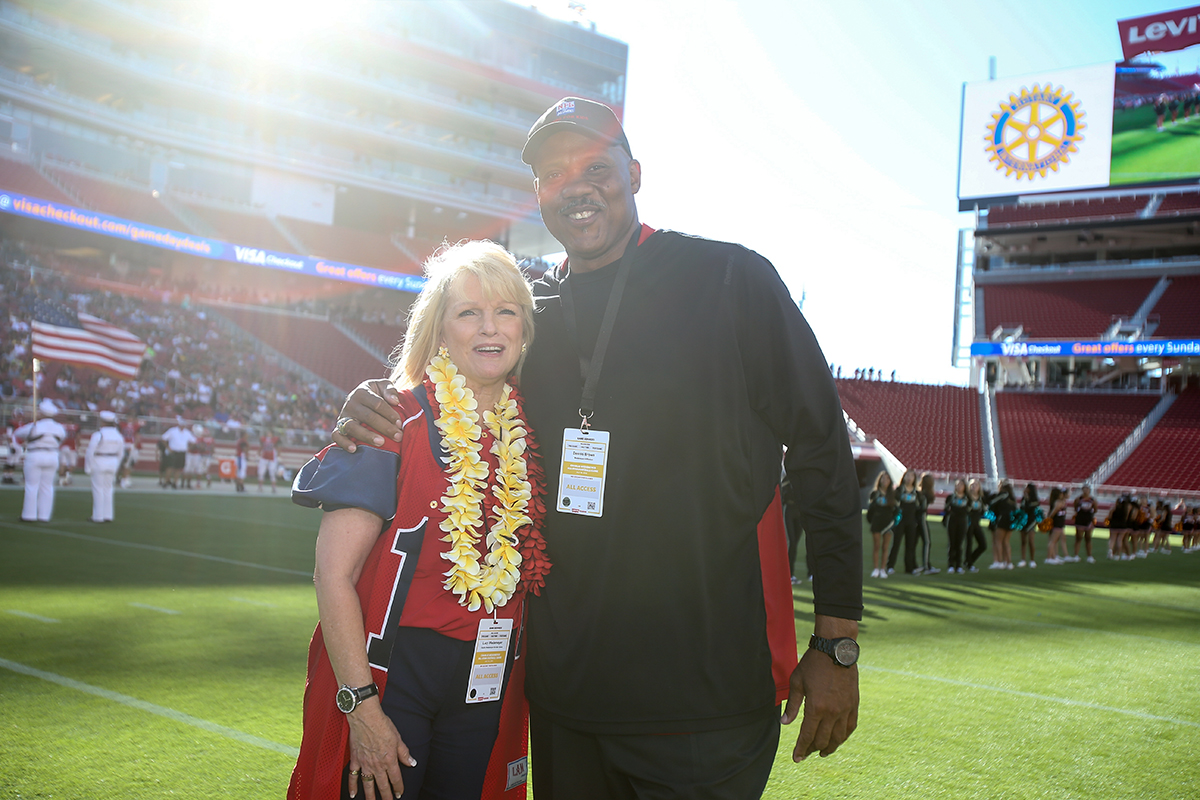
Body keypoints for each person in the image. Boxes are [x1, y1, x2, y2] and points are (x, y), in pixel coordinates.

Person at [332, 96, 863, 798]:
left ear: (635, 173)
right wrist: (372, 396)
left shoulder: (731, 281)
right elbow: (453, 371)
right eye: (553, 174)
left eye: (595, 167)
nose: (575, 187)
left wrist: (836, 643)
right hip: (565, 702)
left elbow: (824, 453)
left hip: (706, 700)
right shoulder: (532, 311)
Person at [288, 242, 549, 800]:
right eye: (468, 312)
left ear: (524, 329)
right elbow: (332, 575)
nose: (490, 328)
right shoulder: (391, 417)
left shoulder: (535, 432)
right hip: (393, 673)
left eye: (506, 311)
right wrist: (360, 706)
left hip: (488, 675)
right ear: (438, 328)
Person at [14, 399, 68, 522]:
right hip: (53, 455)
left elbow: (18, 433)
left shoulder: (35, 426)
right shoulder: (59, 427)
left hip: (35, 454)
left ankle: (29, 515)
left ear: (42, 413)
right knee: (47, 487)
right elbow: (62, 438)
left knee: (31, 486)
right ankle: (44, 515)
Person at [84, 410, 124, 523]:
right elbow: (121, 453)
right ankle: (108, 515)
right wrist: (116, 465)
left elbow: (90, 452)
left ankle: (98, 516)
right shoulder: (118, 435)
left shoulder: (98, 434)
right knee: (108, 489)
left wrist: (88, 466)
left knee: (98, 489)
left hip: (99, 460)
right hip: (113, 461)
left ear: (103, 422)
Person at [866, 471, 896, 579]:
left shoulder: (893, 494)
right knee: (877, 546)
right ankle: (875, 569)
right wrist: (872, 521)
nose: (885, 481)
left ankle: (883, 569)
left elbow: (896, 510)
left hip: (888, 523)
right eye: (883, 478)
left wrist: (893, 523)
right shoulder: (874, 494)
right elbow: (870, 511)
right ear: (879, 480)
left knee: (885, 547)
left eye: (887, 479)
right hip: (876, 523)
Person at [942, 478, 970, 574]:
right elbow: (946, 509)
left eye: (961, 485)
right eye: (957, 485)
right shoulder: (951, 497)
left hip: (962, 522)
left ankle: (958, 565)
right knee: (952, 543)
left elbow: (969, 510)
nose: (959, 487)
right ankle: (950, 565)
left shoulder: (967, 498)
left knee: (959, 544)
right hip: (952, 521)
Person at [988, 481, 1017, 570]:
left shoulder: (1002, 495)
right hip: (1011, 521)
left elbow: (991, 503)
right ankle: (1008, 563)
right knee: (1006, 542)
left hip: (1002, 520)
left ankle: (999, 562)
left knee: (998, 541)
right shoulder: (1012, 498)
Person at [160, 417, 195, 489]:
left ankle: (175, 483)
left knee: (178, 468)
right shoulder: (172, 431)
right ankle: (166, 481)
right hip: (173, 451)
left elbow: (193, 441)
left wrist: (189, 448)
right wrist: (168, 448)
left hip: (182, 452)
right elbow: (163, 438)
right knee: (169, 467)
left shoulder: (187, 432)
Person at [964, 479, 989, 572]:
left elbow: (984, 510)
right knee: (969, 544)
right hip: (967, 523)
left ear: (979, 487)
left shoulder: (981, 498)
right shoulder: (966, 498)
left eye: (976, 485)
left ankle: (968, 560)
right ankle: (969, 564)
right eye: (972, 485)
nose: (974, 487)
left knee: (983, 545)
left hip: (976, 524)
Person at [918, 473, 939, 574]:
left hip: (918, 519)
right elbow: (922, 509)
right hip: (921, 520)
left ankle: (921, 565)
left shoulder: (921, 493)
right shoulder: (925, 495)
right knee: (927, 542)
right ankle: (926, 566)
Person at [1071, 485, 1097, 563]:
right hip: (1080, 520)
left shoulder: (1092, 500)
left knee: (1088, 538)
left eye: (1087, 489)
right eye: (1084, 489)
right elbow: (1075, 508)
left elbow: (1095, 509)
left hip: (1088, 520)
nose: (1085, 491)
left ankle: (1089, 556)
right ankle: (1076, 555)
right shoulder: (1078, 499)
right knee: (1078, 538)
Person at [1017, 483, 1041, 568]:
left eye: (1027, 488)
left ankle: (1032, 560)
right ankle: (1023, 560)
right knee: (1023, 541)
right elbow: (1022, 509)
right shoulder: (1023, 499)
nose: (1025, 489)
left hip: (1031, 522)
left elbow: (1031, 509)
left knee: (1031, 541)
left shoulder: (1035, 500)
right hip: (1023, 522)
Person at [1044, 487, 1068, 565]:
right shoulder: (1057, 502)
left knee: (1053, 540)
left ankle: (1053, 557)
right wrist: (1049, 520)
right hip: (1057, 523)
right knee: (1052, 541)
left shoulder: (1056, 501)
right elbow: (1053, 512)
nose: (1062, 495)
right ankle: (1049, 558)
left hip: (1058, 523)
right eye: (1061, 493)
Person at [258, 428, 280, 493]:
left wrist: (278, 454)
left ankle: (273, 488)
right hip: (264, 457)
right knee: (261, 473)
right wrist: (258, 453)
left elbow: (278, 446)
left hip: (272, 458)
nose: (268, 434)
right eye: (268, 433)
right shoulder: (263, 439)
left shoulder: (275, 439)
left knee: (272, 473)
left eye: (270, 433)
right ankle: (260, 487)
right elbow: (261, 446)